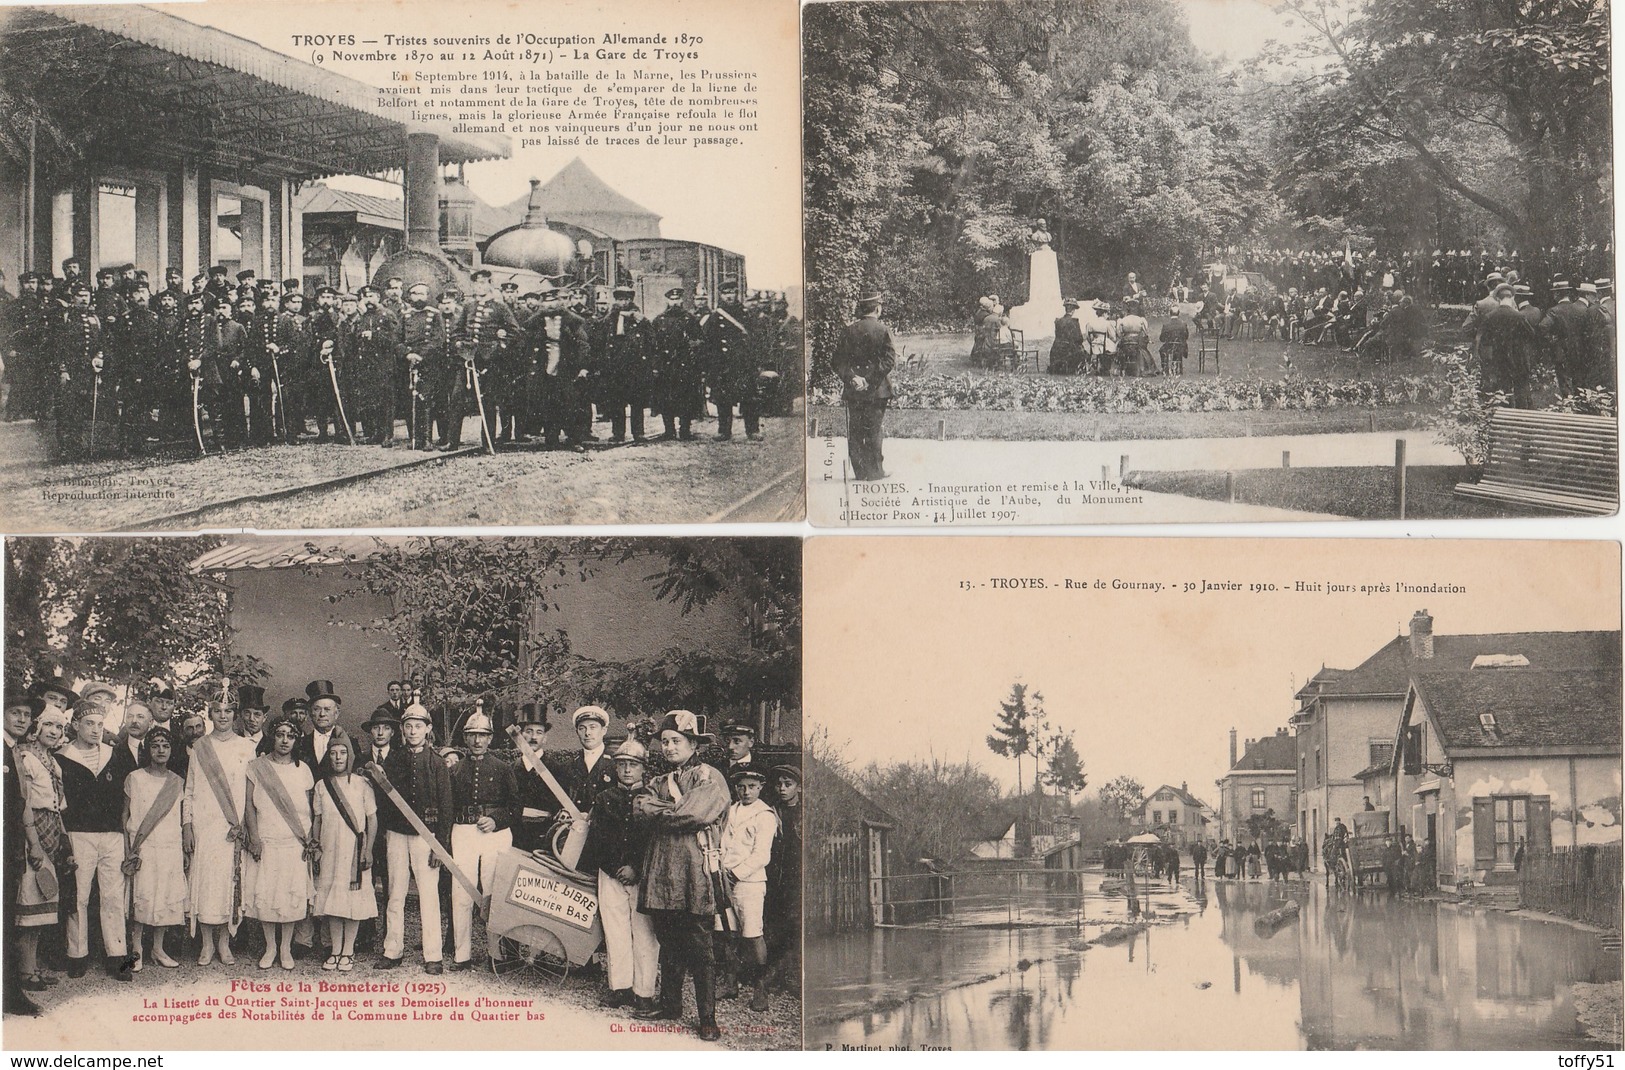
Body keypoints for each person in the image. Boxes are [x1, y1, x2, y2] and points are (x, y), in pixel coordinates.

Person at [633, 710, 729, 1041]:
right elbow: (641, 807)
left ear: (692, 744)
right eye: (665, 741)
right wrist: (670, 810)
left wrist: (665, 810)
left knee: (701, 946)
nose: (670, 747)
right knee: (668, 938)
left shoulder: (709, 777)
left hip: (695, 872)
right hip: (661, 871)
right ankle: (671, 1005)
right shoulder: (659, 780)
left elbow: (694, 814)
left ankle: (707, 1018)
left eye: (676, 741)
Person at [368, 702, 451, 974]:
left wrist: (440, 845)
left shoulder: (437, 763)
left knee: (428, 895)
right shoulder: (393, 759)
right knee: (395, 894)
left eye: (419, 726)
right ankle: (392, 951)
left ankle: (433, 955)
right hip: (395, 834)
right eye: (408, 726)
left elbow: (446, 806)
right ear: (402, 729)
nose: (413, 731)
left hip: (425, 837)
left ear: (428, 729)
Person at [577, 738, 658, 1011]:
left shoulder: (652, 799)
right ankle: (620, 987)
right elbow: (596, 840)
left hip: (642, 877)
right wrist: (613, 868)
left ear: (643, 768)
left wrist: (635, 867)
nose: (626, 770)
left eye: (633, 765)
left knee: (645, 934)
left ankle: (644, 991)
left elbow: (653, 841)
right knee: (615, 931)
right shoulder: (604, 798)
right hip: (610, 875)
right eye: (622, 764)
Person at [55, 700, 131, 981]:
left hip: (111, 834)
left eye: (100, 724)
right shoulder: (62, 757)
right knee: (79, 895)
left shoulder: (115, 755)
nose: (96, 729)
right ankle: (77, 955)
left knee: (113, 895)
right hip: (80, 834)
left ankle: (117, 956)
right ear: (75, 725)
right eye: (89, 723)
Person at [185, 697, 256, 965]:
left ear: (234, 714)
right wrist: (187, 825)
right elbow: (189, 791)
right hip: (205, 826)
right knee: (205, 882)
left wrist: (248, 826)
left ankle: (225, 944)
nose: (223, 716)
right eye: (217, 711)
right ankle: (206, 945)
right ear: (210, 714)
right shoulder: (199, 747)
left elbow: (250, 793)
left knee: (230, 881)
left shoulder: (247, 747)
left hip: (232, 827)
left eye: (228, 711)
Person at [243, 713, 317, 970]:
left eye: (291, 736)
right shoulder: (256, 767)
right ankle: (270, 947)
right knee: (267, 894)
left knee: (289, 896)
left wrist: (309, 840)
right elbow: (249, 807)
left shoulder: (303, 769)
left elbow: (309, 808)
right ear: (272, 736)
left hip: (294, 841)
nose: (285, 740)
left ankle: (285, 948)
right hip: (267, 839)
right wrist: (254, 837)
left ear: (297, 740)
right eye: (280, 734)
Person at [446, 710, 515, 971]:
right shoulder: (455, 770)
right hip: (462, 832)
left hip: (494, 835)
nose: (477, 740)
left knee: (493, 892)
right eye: (472, 735)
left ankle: (496, 955)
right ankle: (461, 955)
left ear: (490, 738)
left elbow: (515, 806)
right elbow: (448, 807)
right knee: (461, 892)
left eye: (483, 735)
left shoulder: (503, 768)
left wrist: (497, 819)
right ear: (465, 737)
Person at [14, 702, 70, 994]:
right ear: (36, 728)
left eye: (59, 727)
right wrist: (34, 844)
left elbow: (57, 808)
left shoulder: (52, 761)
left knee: (42, 906)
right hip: (31, 836)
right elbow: (24, 804)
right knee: (30, 904)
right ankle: (24, 971)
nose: (54, 731)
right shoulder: (26, 756)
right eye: (48, 724)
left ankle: (33, 966)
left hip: (50, 834)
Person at [122, 726, 186, 971]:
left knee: (166, 896)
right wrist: (129, 848)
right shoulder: (135, 777)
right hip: (144, 846)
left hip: (169, 845)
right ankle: (136, 949)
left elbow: (180, 817)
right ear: (148, 749)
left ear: (171, 750)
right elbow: (125, 814)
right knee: (143, 896)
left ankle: (158, 949)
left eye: (165, 746)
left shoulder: (177, 782)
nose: (161, 750)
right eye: (156, 745)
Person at [313, 735, 377, 973]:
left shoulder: (361, 783)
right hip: (329, 850)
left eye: (342, 753)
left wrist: (368, 849)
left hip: (354, 850)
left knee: (353, 902)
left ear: (349, 756)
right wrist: (316, 846)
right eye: (333, 753)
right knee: (332, 901)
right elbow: (317, 820)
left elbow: (372, 819)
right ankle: (335, 950)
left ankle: (348, 951)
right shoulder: (322, 785)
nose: (338, 758)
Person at [721, 768, 778, 1012]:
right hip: (724, 880)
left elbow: (761, 855)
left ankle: (760, 990)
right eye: (741, 786)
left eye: (752, 786)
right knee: (726, 933)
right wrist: (722, 873)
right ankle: (730, 984)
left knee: (752, 935)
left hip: (749, 883)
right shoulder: (729, 811)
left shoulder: (764, 815)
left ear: (760, 787)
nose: (746, 791)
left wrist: (735, 874)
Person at [829, 291, 895, 481]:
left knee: (856, 430)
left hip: (854, 390)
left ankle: (860, 472)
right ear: (877, 308)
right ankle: (875, 472)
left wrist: (852, 378)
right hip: (877, 390)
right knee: (874, 429)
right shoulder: (883, 330)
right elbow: (889, 360)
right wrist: (869, 379)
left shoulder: (849, 331)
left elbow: (837, 361)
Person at [763, 764, 802, 996]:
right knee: (774, 926)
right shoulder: (771, 811)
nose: (782, 788)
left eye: (788, 784)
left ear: (798, 787)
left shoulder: (803, 812)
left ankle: (793, 978)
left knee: (794, 927)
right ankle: (774, 976)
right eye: (779, 784)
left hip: (795, 877)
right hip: (774, 877)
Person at [559, 705, 615, 813]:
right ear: (577, 732)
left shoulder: (616, 763)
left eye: (592, 727)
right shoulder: (569, 765)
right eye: (582, 728)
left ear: (604, 730)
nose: (587, 733)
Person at [1049, 299, 1086, 375]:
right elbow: (1079, 338)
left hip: (1056, 349)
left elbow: (1057, 335)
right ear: (1073, 310)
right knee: (1083, 352)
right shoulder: (1074, 322)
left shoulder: (1058, 321)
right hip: (1069, 350)